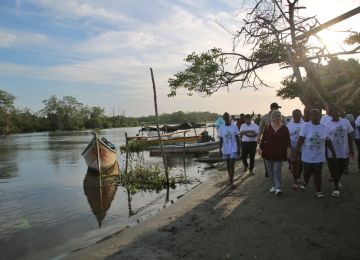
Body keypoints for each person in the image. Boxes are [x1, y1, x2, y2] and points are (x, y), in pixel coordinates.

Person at [294, 109, 336, 199]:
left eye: (317, 115)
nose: (315, 117)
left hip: (319, 155)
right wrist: (296, 153)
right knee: (307, 171)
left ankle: (318, 191)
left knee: (317, 172)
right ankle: (305, 181)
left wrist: (333, 151)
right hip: (307, 155)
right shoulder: (306, 126)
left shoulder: (324, 127)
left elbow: (327, 141)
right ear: (310, 116)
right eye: (313, 115)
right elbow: (300, 140)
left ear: (320, 116)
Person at [259, 110, 291, 195]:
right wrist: (260, 149)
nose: (278, 117)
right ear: (272, 118)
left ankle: (278, 187)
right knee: (270, 170)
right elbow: (263, 139)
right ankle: (273, 185)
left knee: (277, 170)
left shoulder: (284, 128)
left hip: (279, 152)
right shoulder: (267, 127)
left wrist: (288, 151)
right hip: (268, 151)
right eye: (276, 116)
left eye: (279, 115)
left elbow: (288, 141)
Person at [325, 105, 354, 197]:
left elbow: (350, 136)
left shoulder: (345, 122)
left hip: (343, 150)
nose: (335, 113)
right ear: (330, 114)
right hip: (331, 151)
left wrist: (351, 148)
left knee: (342, 167)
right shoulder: (327, 124)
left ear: (339, 113)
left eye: (337, 111)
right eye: (333, 112)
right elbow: (325, 139)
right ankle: (336, 188)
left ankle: (336, 179)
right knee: (334, 168)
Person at [257, 102, 287, 177]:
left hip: (278, 141)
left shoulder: (281, 117)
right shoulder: (264, 117)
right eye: (276, 108)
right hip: (267, 141)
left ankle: (275, 171)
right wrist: (258, 137)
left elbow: (286, 126)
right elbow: (260, 128)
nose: (277, 110)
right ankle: (268, 169)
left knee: (277, 155)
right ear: (272, 108)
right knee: (266, 155)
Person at [219, 112, 241, 188]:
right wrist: (220, 149)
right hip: (225, 148)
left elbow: (237, 138)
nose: (226, 119)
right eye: (225, 117)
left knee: (232, 163)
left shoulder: (234, 126)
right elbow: (221, 139)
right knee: (228, 164)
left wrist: (239, 148)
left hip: (233, 147)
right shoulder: (221, 127)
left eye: (227, 117)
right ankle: (230, 178)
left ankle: (231, 181)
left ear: (229, 118)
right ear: (223, 118)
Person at [287, 109, 305, 189]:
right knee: (294, 163)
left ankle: (298, 177)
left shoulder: (304, 124)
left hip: (303, 147)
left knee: (301, 164)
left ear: (301, 115)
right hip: (292, 147)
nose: (297, 117)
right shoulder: (289, 125)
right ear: (292, 116)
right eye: (295, 115)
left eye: (298, 115)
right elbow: (286, 137)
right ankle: (295, 181)